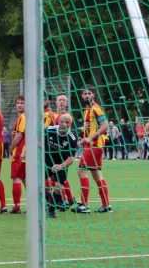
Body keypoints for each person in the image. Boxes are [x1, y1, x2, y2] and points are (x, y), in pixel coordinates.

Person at [72, 85, 111, 213]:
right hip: (92, 146)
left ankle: (84, 205)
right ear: (82, 96)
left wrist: (90, 138)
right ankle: (106, 206)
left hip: (94, 146)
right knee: (97, 175)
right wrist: (84, 137)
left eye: (89, 93)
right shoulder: (87, 110)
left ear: (93, 95)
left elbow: (105, 126)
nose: (87, 95)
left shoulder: (96, 108)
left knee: (81, 171)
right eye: (84, 93)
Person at [45, 114, 78, 218]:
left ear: (70, 124)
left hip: (61, 164)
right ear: (58, 122)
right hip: (47, 160)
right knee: (37, 184)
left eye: (67, 122)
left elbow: (71, 158)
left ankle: (51, 210)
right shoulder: (49, 130)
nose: (64, 124)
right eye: (62, 121)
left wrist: (60, 166)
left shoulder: (72, 138)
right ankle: (48, 199)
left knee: (59, 188)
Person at [52, 93, 76, 208]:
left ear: (66, 103)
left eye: (63, 100)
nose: (61, 102)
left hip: (63, 151)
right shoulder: (55, 115)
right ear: (56, 102)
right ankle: (68, 199)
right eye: (59, 100)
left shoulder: (67, 116)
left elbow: (66, 134)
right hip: (53, 149)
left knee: (60, 178)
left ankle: (65, 199)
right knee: (59, 178)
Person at [9, 95, 26, 214]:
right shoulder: (23, 117)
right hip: (26, 152)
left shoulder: (23, 117)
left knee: (16, 178)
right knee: (25, 179)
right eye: (18, 102)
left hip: (20, 151)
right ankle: (38, 204)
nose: (19, 105)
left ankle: (16, 206)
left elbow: (19, 135)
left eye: (22, 102)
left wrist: (11, 147)